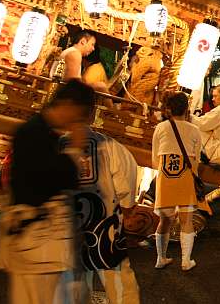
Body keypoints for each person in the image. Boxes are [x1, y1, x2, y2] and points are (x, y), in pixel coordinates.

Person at [0, 81, 90, 303]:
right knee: (35, 296)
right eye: (79, 116)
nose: (77, 123)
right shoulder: (35, 133)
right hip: (35, 241)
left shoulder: (44, 132)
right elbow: (53, 180)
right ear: (69, 105)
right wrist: (75, 150)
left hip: (36, 241)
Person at [59, 92, 140, 303]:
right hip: (106, 228)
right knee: (119, 281)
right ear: (93, 113)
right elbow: (126, 187)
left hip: (66, 230)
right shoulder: (111, 146)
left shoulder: (53, 149)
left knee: (72, 285)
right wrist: (127, 208)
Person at [152, 92, 203, 272]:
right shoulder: (194, 130)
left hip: (165, 177)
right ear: (186, 109)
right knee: (186, 220)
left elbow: (154, 160)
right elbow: (196, 161)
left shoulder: (160, 128)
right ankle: (186, 261)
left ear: (169, 109)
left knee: (165, 220)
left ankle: (161, 258)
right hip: (185, 177)